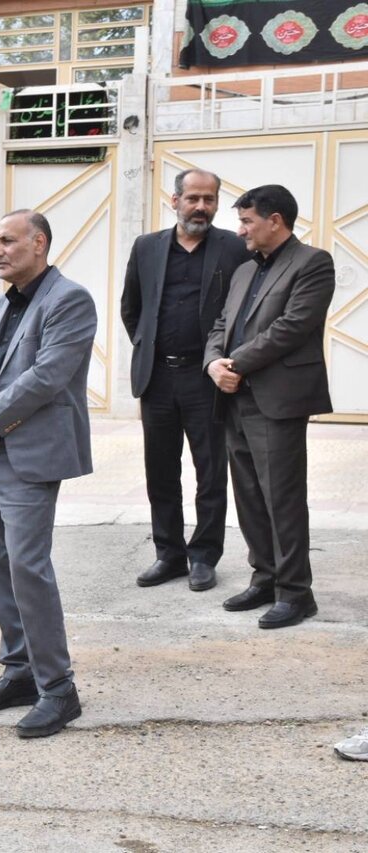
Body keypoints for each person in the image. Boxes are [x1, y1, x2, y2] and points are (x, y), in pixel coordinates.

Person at [0, 210, 97, 739]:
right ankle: (20, 671)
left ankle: (58, 688)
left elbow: (47, 377)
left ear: (39, 243)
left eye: (7, 241)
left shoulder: (70, 300)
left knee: (28, 568)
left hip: (29, 456)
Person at [205, 184, 335, 629]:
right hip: (233, 397)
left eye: (247, 221)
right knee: (249, 497)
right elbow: (221, 324)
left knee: (282, 498)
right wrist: (213, 364)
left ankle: (296, 593)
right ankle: (265, 577)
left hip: (277, 399)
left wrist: (235, 363)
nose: (240, 230)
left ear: (274, 220)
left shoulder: (313, 263)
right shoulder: (244, 270)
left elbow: (292, 327)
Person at [120, 169, 250, 593]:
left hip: (206, 378)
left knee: (210, 472)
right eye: (193, 198)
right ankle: (169, 554)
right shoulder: (146, 247)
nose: (201, 207)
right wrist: (149, 349)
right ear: (174, 200)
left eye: (209, 199)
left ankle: (204, 556)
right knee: (160, 471)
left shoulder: (233, 247)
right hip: (157, 377)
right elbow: (131, 308)